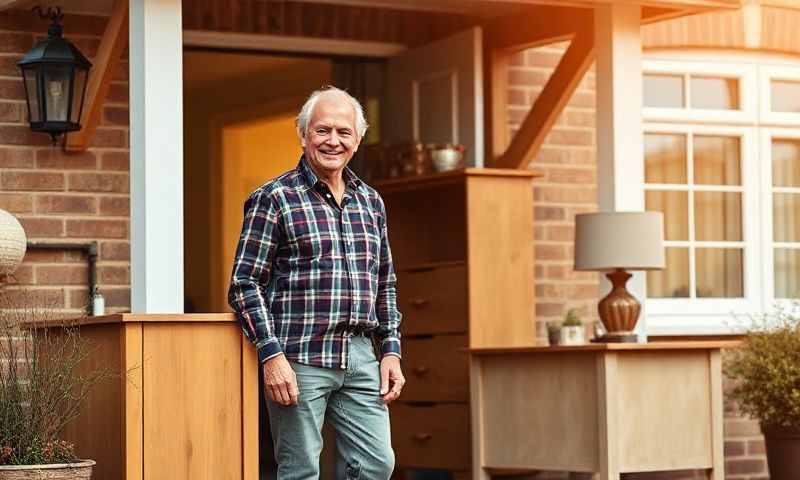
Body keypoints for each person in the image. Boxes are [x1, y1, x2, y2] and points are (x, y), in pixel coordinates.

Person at [228, 86, 404, 480]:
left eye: (344, 132)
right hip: (300, 357)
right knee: (301, 469)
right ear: (303, 134)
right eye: (323, 130)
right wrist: (272, 356)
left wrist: (390, 351)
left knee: (377, 464)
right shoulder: (273, 198)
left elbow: (385, 283)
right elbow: (244, 285)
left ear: (358, 140)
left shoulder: (371, 202)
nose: (333, 141)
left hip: (361, 357)